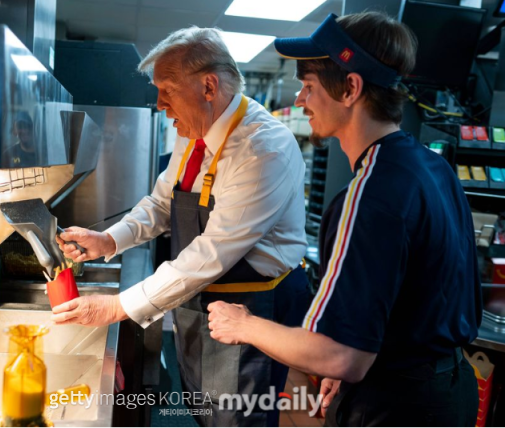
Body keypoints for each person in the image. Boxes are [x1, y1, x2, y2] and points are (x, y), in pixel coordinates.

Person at [207, 11, 482, 427]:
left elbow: (341, 356)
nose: (300, 99)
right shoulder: (432, 166)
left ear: (351, 88)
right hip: (450, 390)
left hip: (399, 407)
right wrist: (354, 358)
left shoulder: (368, 193)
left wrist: (243, 324)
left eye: (310, 86)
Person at [52, 26, 311, 426]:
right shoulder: (195, 134)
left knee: (236, 419)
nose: (159, 104)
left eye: (167, 89)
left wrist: (118, 306)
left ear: (209, 86)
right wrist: (108, 240)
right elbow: (161, 203)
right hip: (200, 302)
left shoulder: (263, 148)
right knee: (203, 410)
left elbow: (212, 252)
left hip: (251, 309)